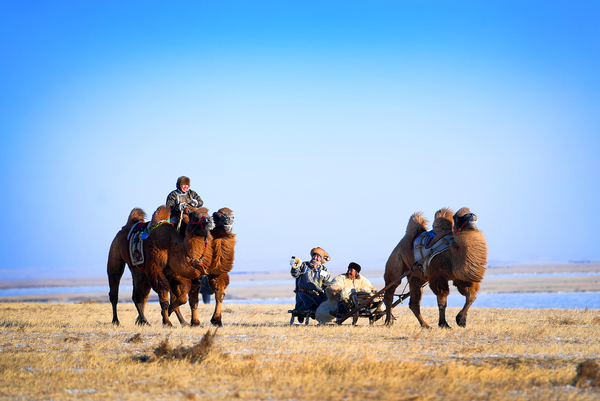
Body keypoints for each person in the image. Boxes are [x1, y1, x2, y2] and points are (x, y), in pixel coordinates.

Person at [290, 247, 331, 321]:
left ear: (321, 259)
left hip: (318, 295)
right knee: (301, 310)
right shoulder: (304, 266)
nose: (315, 258)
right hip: (304, 295)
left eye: (318, 256)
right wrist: (295, 267)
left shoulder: (324, 270)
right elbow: (295, 274)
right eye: (314, 255)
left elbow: (327, 284)